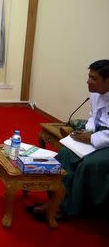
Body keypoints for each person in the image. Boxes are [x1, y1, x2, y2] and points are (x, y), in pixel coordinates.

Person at [28, 59, 109, 220]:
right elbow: (93, 116)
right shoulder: (95, 93)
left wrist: (93, 138)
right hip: (96, 134)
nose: (88, 81)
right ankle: (54, 201)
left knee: (88, 165)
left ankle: (69, 208)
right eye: (89, 76)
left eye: (94, 78)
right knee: (65, 153)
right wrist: (89, 131)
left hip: (105, 140)